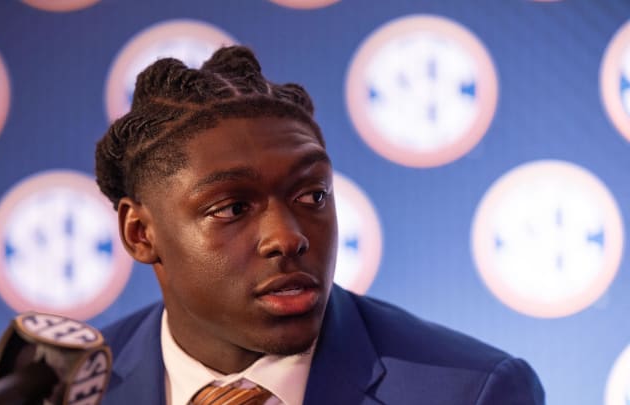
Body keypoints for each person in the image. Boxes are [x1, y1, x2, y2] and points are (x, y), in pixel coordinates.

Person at [94, 45, 545, 405]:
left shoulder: (473, 392)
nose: (289, 237)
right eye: (232, 208)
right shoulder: (62, 389)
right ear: (140, 233)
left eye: (313, 196)